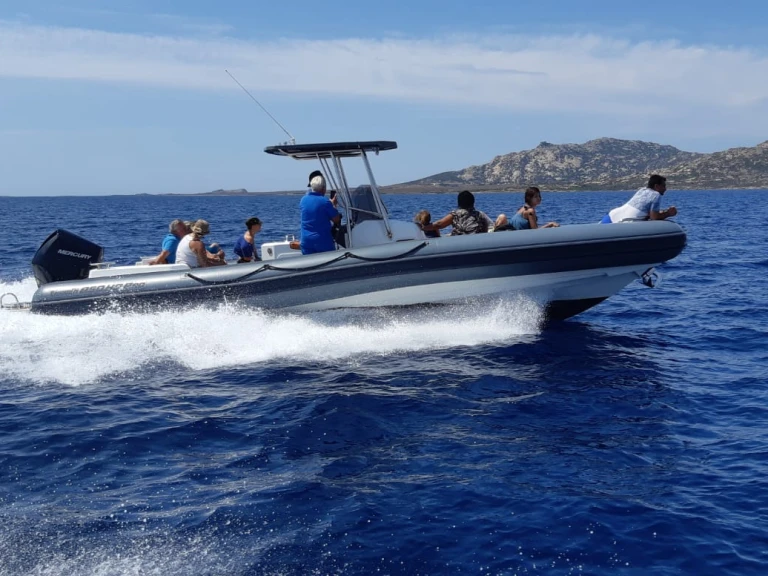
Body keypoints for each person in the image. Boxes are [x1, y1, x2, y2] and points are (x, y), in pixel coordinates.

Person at [601, 174, 678, 223]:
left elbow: (645, 211)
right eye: (663, 186)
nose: (665, 189)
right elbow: (654, 217)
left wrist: (663, 212)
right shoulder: (656, 195)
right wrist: (668, 213)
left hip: (611, 215)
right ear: (656, 186)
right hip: (620, 222)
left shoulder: (642, 190)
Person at [299, 174, 341, 255]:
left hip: (306, 242)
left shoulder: (303, 200)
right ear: (323, 188)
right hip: (323, 243)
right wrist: (333, 205)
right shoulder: (325, 202)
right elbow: (336, 219)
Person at [422, 190, 493, 236]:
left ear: (459, 203)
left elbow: (439, 224)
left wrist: (423, 228)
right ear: (473, 202)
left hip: (459, 242)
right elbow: (485, 230)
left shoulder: (455, 214)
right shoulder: (480, 215)